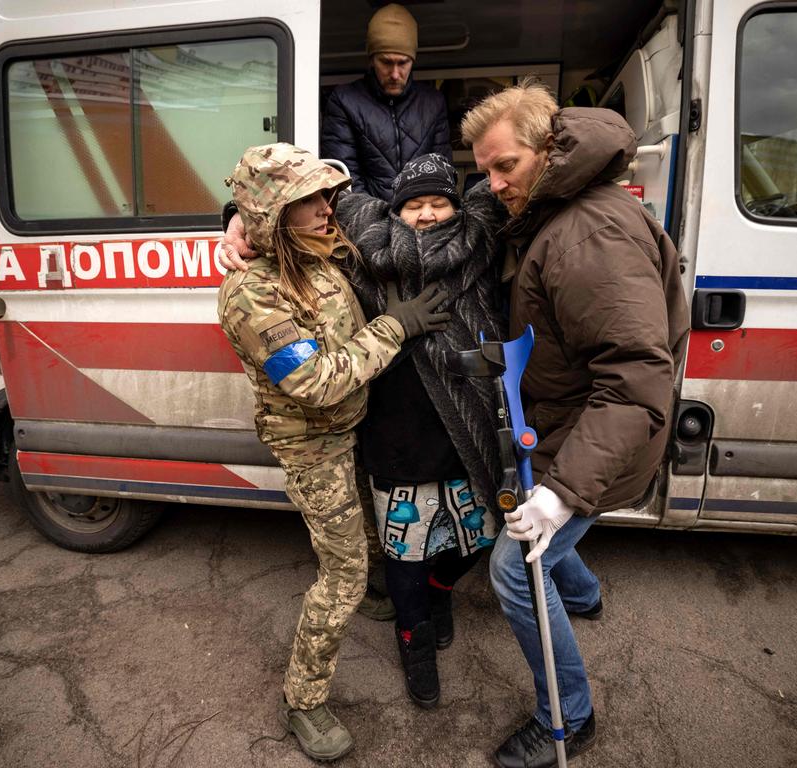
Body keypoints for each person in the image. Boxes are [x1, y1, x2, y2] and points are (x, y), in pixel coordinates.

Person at [460, 85, 690, 767]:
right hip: (574, 426)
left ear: (549, 150)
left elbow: (635, 380)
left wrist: (560, 495)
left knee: (516, 568)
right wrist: (246, 220)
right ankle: (584, 595)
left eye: (504, 167)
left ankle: (572, 714)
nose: (492, 185)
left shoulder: (587, 233)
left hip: (599, 439)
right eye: (484, 170)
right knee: (546, 547)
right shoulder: (556, 205)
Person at [217, 142, 450, 762]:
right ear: (275, 216)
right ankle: (304, 699)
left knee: (367, 529)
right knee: (341, 571)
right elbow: (317, 383)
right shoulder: (252, 295)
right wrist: (395, 327)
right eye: (309, 200)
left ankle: (371, 591)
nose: (329, 208)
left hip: (354, 427)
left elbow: (388, 217)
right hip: (311, 441)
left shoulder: (317, 250)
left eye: (326, 194)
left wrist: (234, 219)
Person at [339, 154, 506, 708]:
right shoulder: (368, 246)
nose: (429, 215)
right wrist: (235, 216)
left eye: (439, 202)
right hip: (397, 430)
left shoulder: (480, 235)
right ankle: (413, 641)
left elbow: (517, 171)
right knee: (405, 550)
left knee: (475, 536)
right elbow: (306, 199)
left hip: (467, 428)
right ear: (396, 209)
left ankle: (441, 594)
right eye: (415, 204)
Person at [321, 3, 451, 202]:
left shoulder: (433, 102)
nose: (395, 74)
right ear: (372, 59)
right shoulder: (344, 100)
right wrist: (377, 222)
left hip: (421, 219)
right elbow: (345, 177)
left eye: (403, 63)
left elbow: (441, 172)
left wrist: (418, 215)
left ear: (413, 61)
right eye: (386, 62)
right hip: (365, 222)